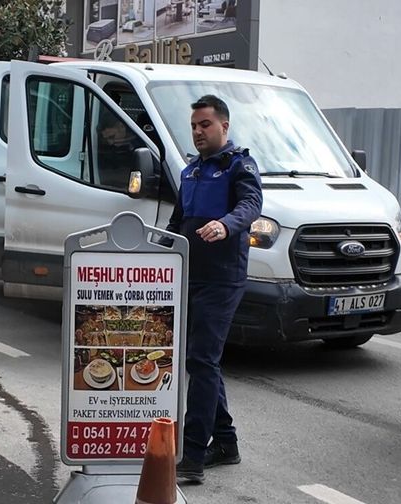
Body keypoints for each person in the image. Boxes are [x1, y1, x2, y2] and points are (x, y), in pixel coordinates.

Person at [168, 95, 263, 484]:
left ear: (224, 126)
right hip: (191, 275)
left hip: (222, 278)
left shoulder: (238, 165)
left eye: (205, 124)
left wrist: (226, 224)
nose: (198, 132)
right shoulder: (190, 171)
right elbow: (177, 223)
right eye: (193, 125)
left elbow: (251, 204)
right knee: (201, 360)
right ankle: (226, 443)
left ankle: (191, 456)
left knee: (202, 361)